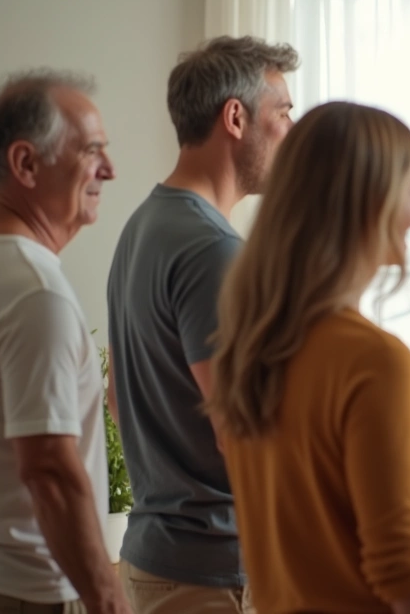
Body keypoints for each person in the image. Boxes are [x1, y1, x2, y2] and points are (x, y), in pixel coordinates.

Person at [207, 101, 410, 613]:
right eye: (409, 191)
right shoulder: (370, 359)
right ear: (367, 202)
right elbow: (402, 567)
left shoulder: (249, 347)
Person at [105, 35, 298, 612]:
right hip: (213, 573)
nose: (292, 130)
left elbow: (118, 396)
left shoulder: (144, 226)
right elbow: (240, 432)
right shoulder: (211, 250)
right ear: (235, 118)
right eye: (283, 112)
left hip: (160, 557)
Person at [0, 71, 129, 613]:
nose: (109, 171)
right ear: (25, 164)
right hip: (34, 591)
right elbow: (49, 470)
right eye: (92, 151)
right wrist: (108, 599)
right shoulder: (34, 291)